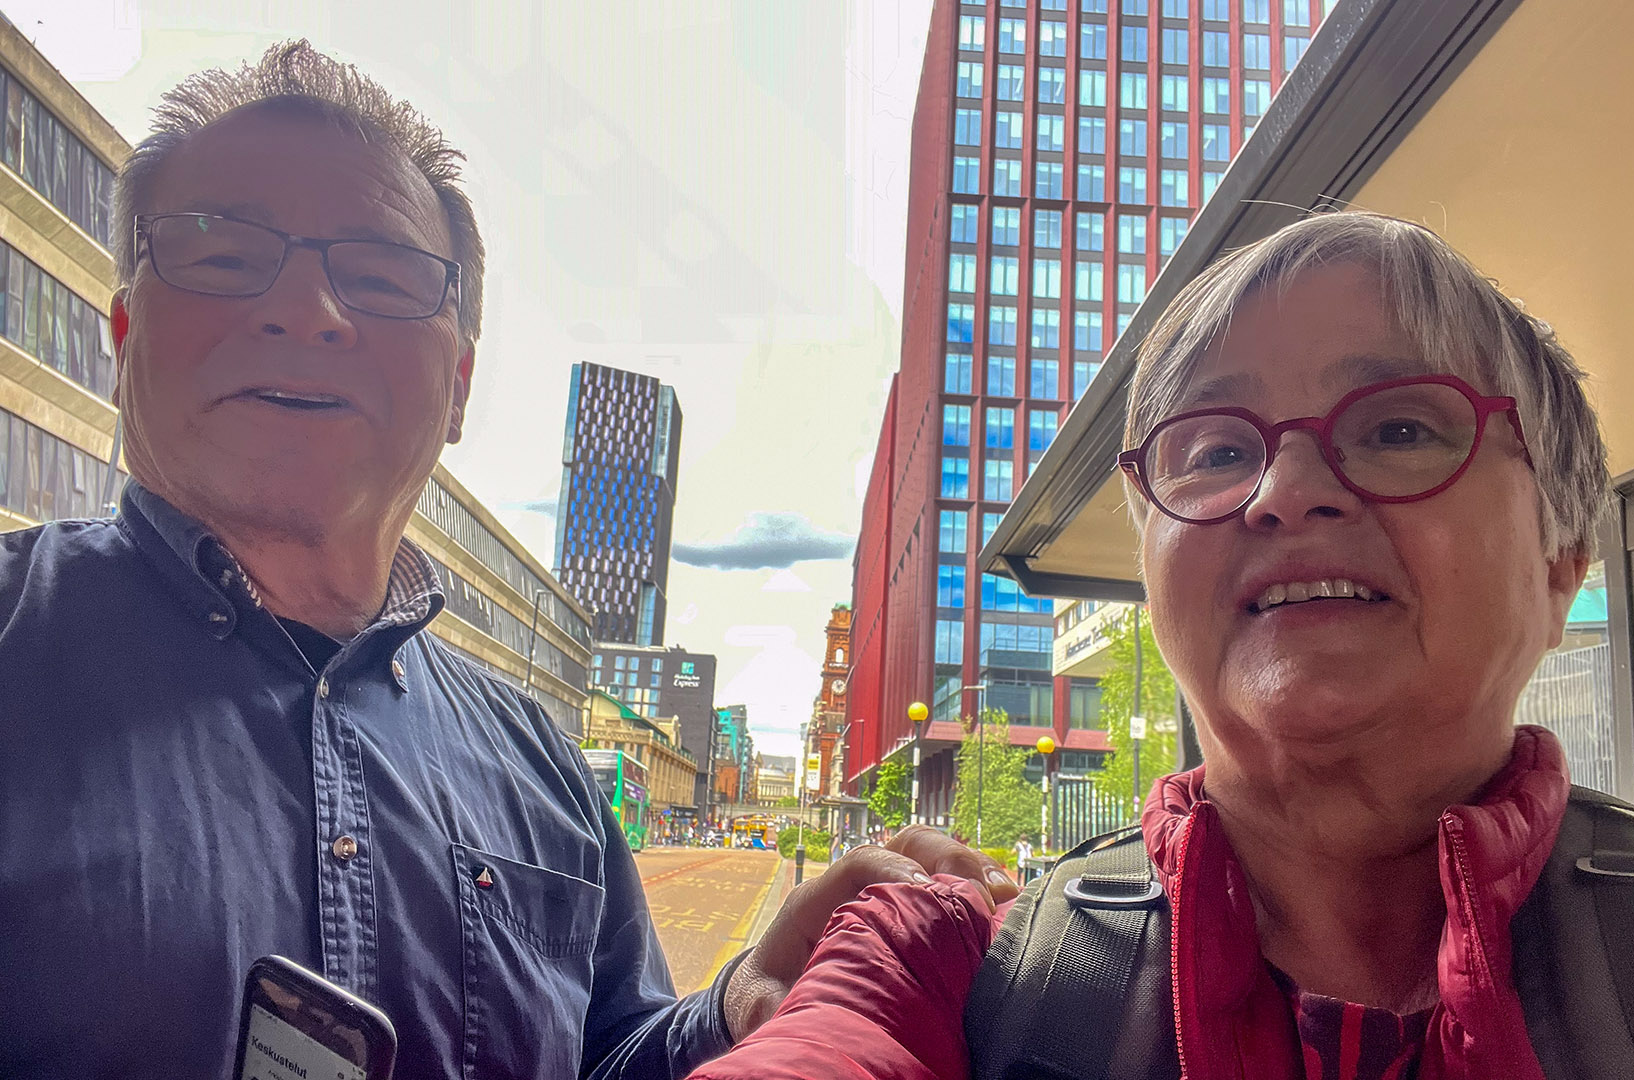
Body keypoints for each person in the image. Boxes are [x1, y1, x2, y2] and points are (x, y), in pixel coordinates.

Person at [0, 41, 1016, 1080]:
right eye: (222, 257)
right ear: (124, 334)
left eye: (381, 277)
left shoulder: (542, 762)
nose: (306, 310)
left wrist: (741, 1003)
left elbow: (605, 1053)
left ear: (458, 387)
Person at [683, 211, 1634, 1080]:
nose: (1284, 490)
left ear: (1560, 564)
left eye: (1398, 429)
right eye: (1218, 451)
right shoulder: (947, 959)